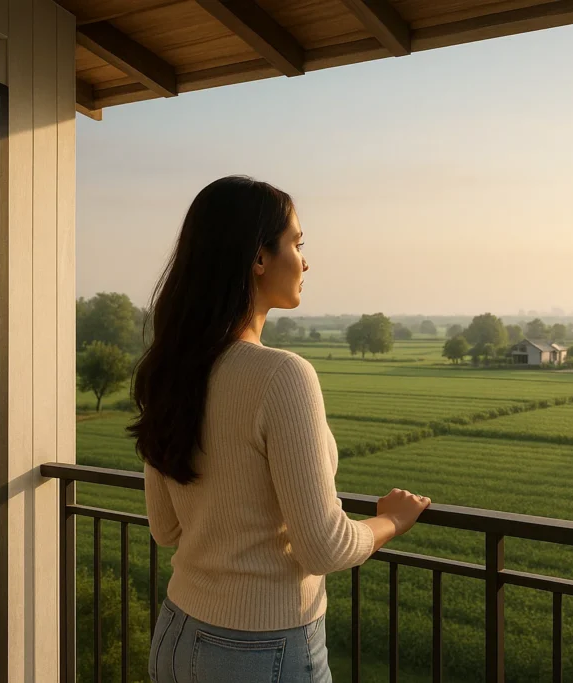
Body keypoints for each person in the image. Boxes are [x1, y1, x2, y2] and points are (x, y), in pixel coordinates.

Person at [130, 176, 431, 683]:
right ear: (259, 257)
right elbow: (325, 547)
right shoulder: (281, 375)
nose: (305, 260)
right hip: (260, 649)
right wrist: (392, 521)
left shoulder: (173, 368)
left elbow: (165, 528)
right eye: (297, 242)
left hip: (177, 635)